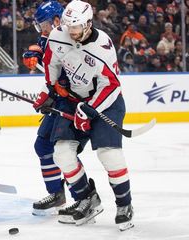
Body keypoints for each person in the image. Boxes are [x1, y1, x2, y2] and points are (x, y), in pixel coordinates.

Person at [43, 0, 134, 231]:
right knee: (62, 153)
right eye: (69, 27)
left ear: (88, 24)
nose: (72, 32)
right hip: (74, 100)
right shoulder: (58, 35)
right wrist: (50, 90)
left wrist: (90, 108)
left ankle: (125, 205)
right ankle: (87, 199)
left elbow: (112, 86)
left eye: (76, 28)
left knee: (109, 155)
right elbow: (51, 62)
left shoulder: (103, 46)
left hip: (106, 104)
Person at [22, 0, 82, 216]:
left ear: (57, 21)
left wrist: (58, 89)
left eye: (43, 25)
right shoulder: (51, 36)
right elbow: (42, 48)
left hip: (73, 102)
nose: (41, 30)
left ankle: (83, 197)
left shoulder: (72, 40)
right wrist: (34, 53)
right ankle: (57, 193)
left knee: (64, 151)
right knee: (43, 146)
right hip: (59, 99)